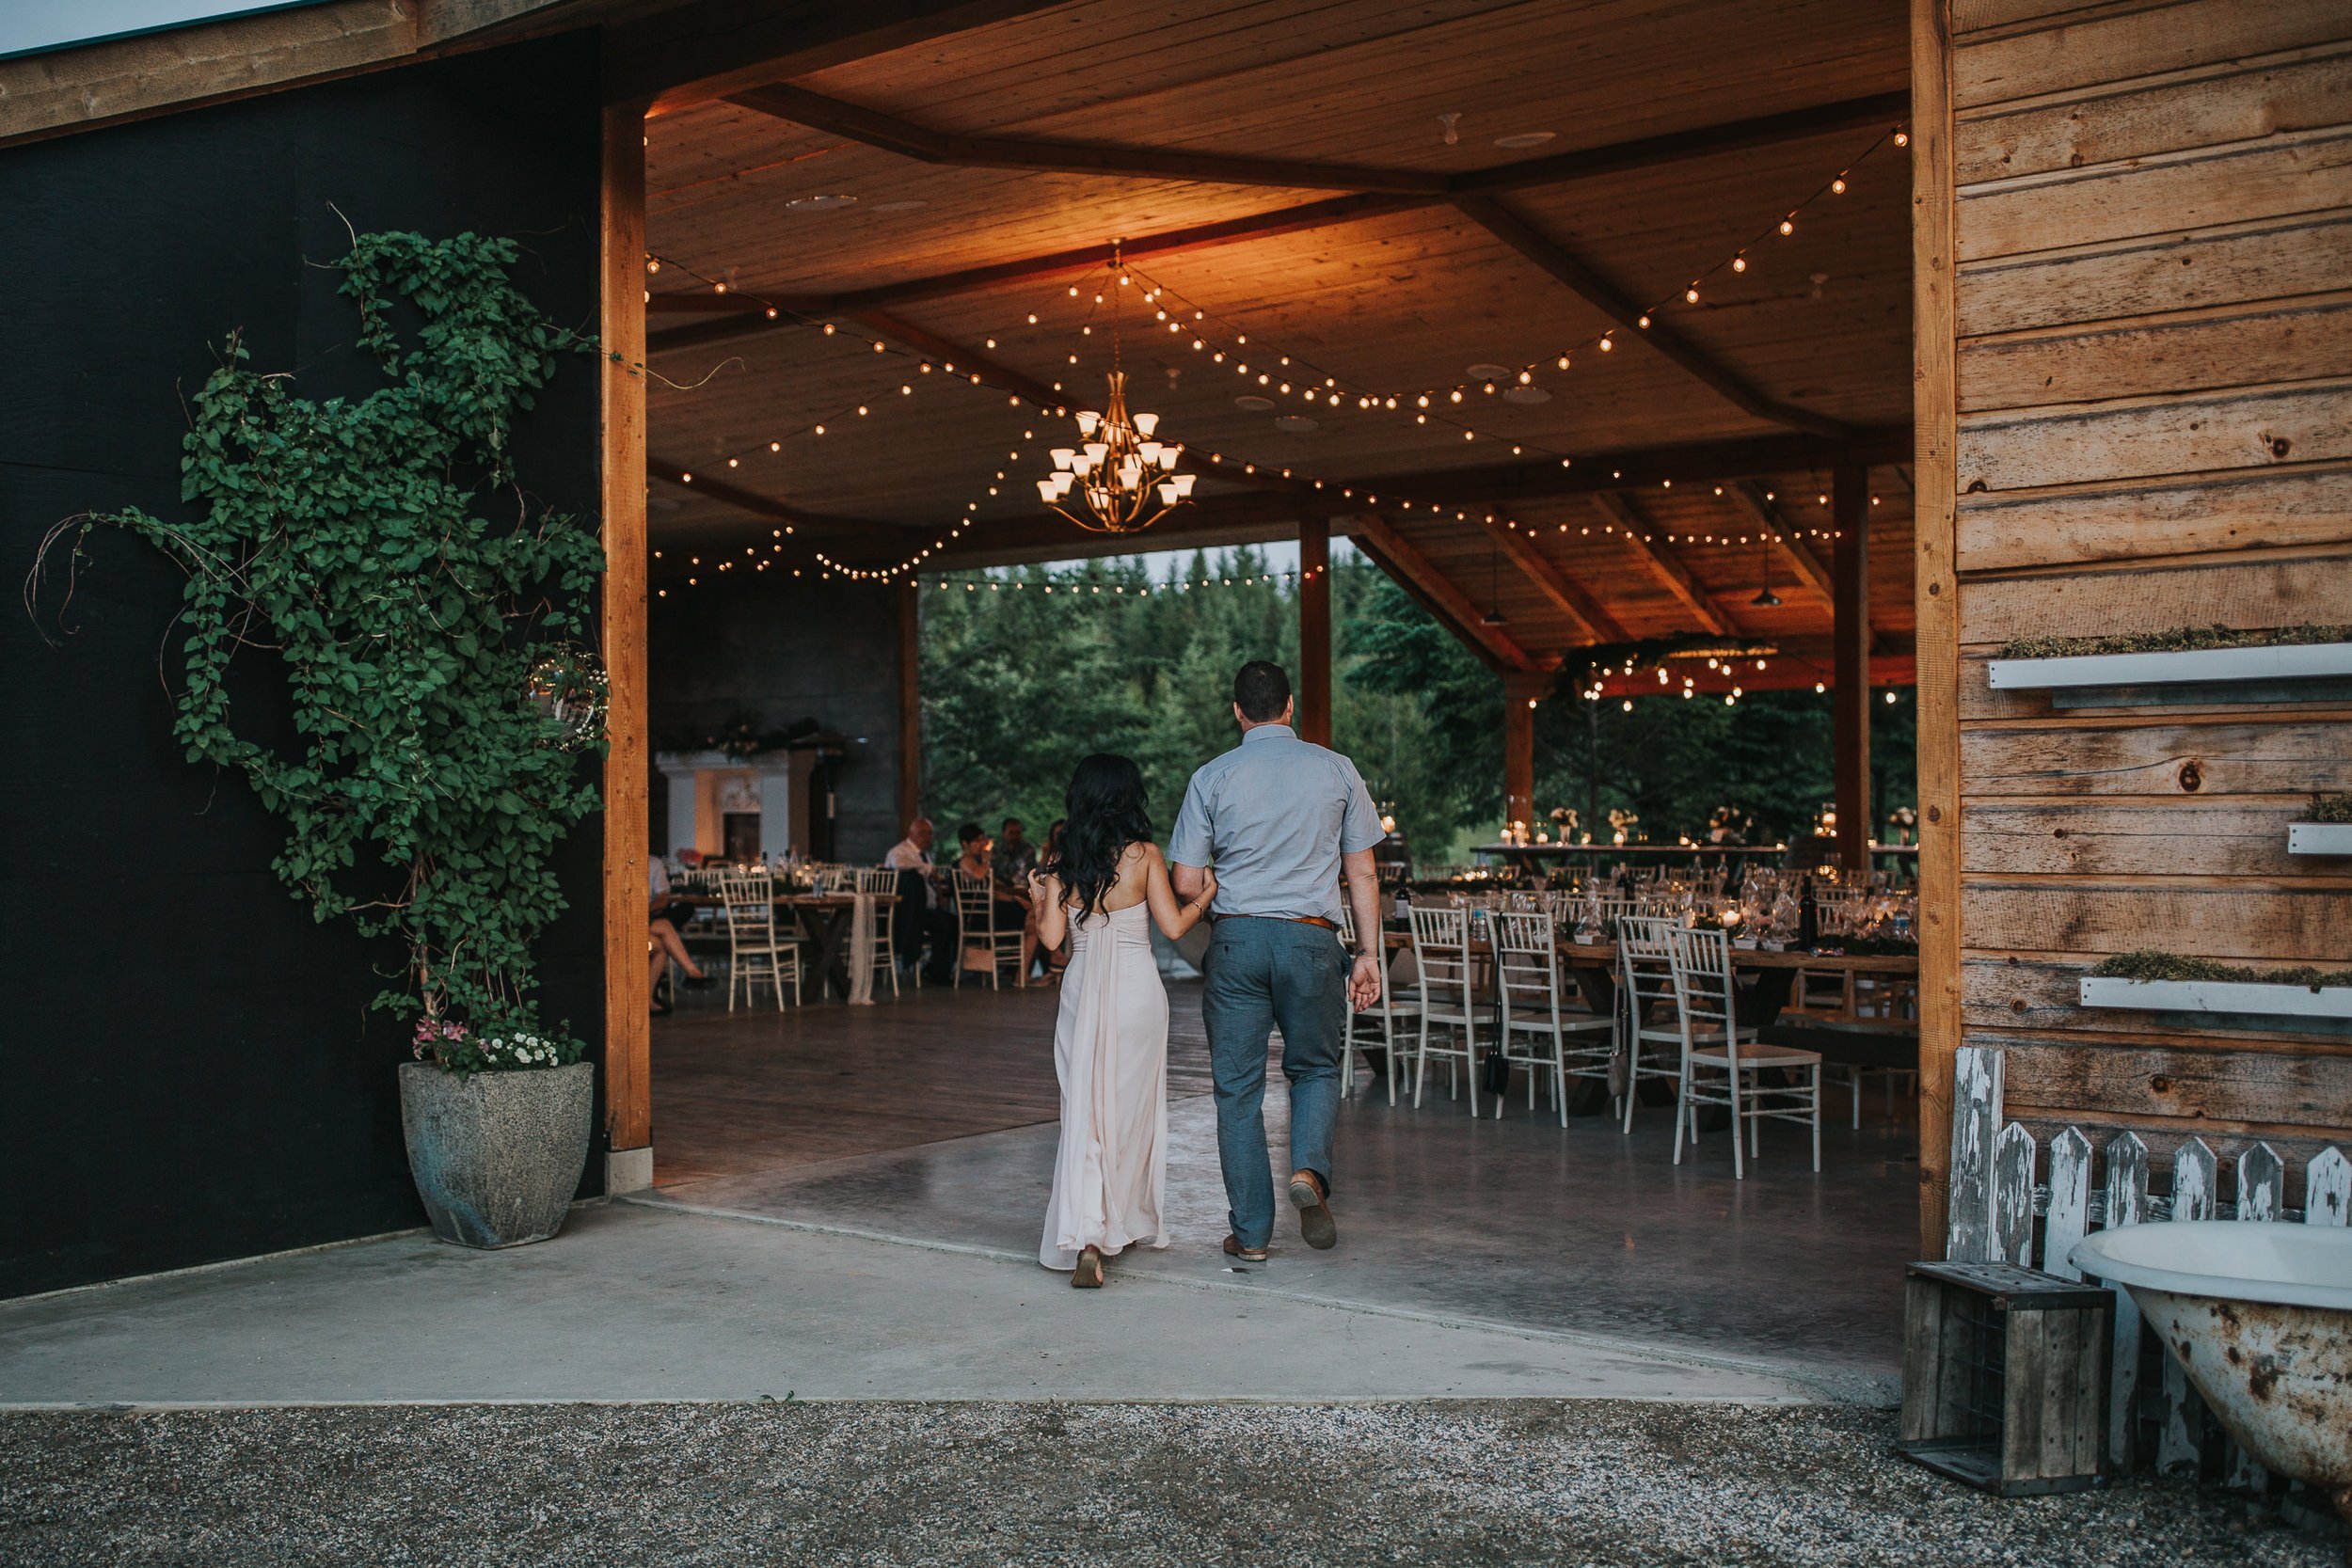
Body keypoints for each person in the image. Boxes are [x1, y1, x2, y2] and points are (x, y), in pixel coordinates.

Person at [1169, 660, 1385, 1262]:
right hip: (1313, 941)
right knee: (1314, 1069)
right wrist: (1368, 954)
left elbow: (1186, 880)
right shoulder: (1337, 769)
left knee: (1237, 1091)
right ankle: (1310, 1174)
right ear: (1290, 707)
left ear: (1238, 712)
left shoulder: (1211, 776)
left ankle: (1253, 1235)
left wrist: (1222, 894)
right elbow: (1361, 870)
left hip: (1236, 941)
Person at [1029, 754, 1216, 1289]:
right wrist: (1207, 894)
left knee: (1085, 1107)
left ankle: (1088, 1234)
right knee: (1129, 1112)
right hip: (1137, 993)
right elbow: (1176, 927)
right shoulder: (1145, 856)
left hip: (1084, 988)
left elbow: (1049, 941)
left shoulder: (1064, 857)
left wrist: (1040, 894)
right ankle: (1117, 1224)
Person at [957, 820, 1035, 982]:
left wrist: (1015, 898)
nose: (981, 845)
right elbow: (978, 876)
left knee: (1034, 917)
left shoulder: (978, 862)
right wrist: (986, 861)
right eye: (977, 841)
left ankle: (1021, 970)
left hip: (992, 910)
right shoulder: (965, 861)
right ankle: (1022, 972)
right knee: (1034, 921)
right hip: (980, 915)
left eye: (982, 840)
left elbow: (992, 889)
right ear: (965, 844)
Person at [883, 816, 958, 987]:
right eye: (923, 833)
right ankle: (937, 971)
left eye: (930, 833)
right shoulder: (900, 851)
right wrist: (927, 869)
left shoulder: (925, 855)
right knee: (947, 924)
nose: (927, 837)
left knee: (951, 923)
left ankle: (936, 969)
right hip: (907, 909)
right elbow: (899, 864)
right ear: (911, 834)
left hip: (926, 908)